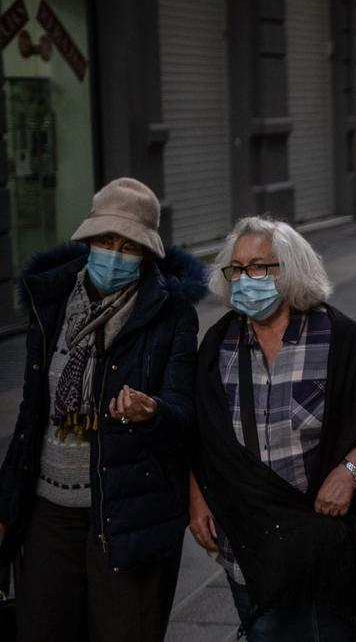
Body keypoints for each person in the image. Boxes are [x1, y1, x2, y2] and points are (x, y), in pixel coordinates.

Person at [0, 178, 205, 641]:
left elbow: (184, 414)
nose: (113, 254)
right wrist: (8, 499)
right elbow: (31, 415)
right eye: (105, 240)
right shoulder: (51, 304)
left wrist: (152, 411)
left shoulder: (170, 315)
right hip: (48, 513)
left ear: (148, 254)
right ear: (88, 239)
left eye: (127, 245)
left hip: (126, 513)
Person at [187, 216, 356, 641]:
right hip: (249, 541)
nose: (246, 278)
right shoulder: (219, 345)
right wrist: (197, 498)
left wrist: (350, 472)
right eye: (238, 268)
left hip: (322, 539)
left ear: (288, 271)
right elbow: (201, 433)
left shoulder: (336, 337)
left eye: (260, 267)